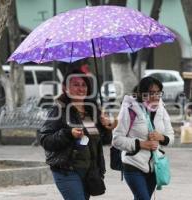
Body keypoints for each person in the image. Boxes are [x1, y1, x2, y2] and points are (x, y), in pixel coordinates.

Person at [39, 68, 114, 200]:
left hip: (89, 172)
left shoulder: (92, 110)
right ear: (65, 88)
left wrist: (107, 127)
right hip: (67, 170)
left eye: (84, 85)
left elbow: (104, 140)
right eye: (75, 85)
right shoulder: (59, 110)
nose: (81, 89)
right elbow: (45, 140)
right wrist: (69, 134)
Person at [112, 76, 174, 200]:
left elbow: (171, 136)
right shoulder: (130, 109)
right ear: (142, 93)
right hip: (133, 165)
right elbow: (116, 140)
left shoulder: (162, 109)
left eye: (158, 93)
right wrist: (141, 144)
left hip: (154, 166)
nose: (155, 96)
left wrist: (161, 137)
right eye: (151, 93)